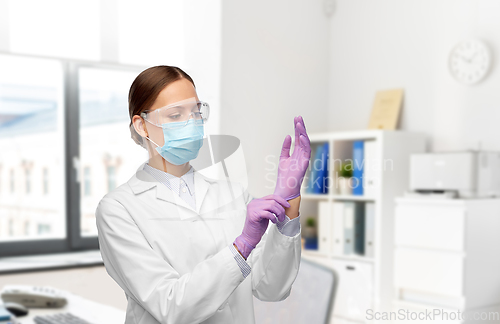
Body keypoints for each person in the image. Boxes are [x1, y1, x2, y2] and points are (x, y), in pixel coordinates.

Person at [95, 65, 311, 324]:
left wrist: (288, 203)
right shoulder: (118, 209)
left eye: (196, 112)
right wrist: (241, 247)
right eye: (175, 115)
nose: (191, 123)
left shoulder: (231, 194)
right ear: (142, 126)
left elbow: (272, 288)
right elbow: (171, 306)